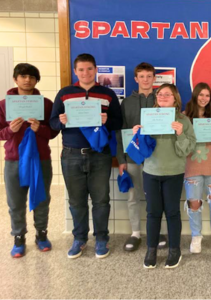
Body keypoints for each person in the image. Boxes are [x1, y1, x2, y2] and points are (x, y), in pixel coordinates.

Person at [50, 53, 123, 259]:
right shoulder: (65, 93)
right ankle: (80, 239)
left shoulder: (107, 94)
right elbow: (53, 124)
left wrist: (107, 120)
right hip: (71, 155)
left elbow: (118, 123)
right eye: (81, 69)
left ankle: (101, 238)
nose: (85, 73)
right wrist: (61, 121)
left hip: (99, 155)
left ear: (95, 69)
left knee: (101, 200)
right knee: (76, 201)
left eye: (89, 69)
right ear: (75, 71)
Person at [0, 63, 59, 258]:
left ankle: (41, 235)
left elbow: (53, 131)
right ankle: (18, 237)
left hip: (40, 159)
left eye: (32, 77)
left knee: (42, 199)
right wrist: (11, 130)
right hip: (14, 160)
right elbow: (1, 133)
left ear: (36, 80)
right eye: (23, 76)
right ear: (15, 79)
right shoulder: (3, 104)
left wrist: (39, 129)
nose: (27, 80)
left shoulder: (46, 104)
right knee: (15, 202)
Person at [135, 83, 196, 268]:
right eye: (160, 94)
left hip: (173, 172)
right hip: (151, 172)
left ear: (175, 98)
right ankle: (151, 250)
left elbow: (189, 148)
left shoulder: (184, 121)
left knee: (172, 212)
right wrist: (137, 134)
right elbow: (142, 148)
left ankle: (174, 250)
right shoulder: (148, 117)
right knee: (153, 213)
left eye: (167, 94)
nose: (162, 97)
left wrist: (180, 134)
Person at [115, 62, 168, 251]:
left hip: (157, 158)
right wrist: (121, 160)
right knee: (133, 196)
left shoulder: (163, 99)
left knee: (157, 197)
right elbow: (120, 132)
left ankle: (159, 231)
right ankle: (135, 233)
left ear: (155, 79)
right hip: (133, 158)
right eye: (142, 76)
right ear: (136, 79)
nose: (145, 80)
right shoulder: (126, 103)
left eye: (149, 76)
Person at [183, 82, 211, 253]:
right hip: (191, 166)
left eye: (207, 95)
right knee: (194, 203)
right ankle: (196, 236)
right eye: (201, 95)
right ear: (195, 96)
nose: (204, 98)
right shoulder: (184, 116)